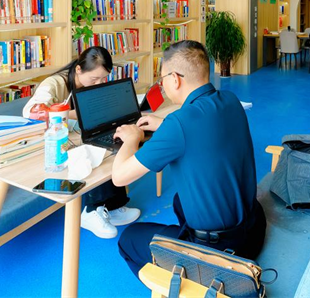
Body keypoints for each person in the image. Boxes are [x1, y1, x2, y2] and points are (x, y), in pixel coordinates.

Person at [112, 40, 266, 277]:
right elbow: (204, 131)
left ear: (175, 79)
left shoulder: (179, 124)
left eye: (162, 79)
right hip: (254, 229)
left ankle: (190, 280)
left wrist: (132, 138)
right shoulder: (231, 100)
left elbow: (119, 177)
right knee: (179, 200)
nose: (163, 85)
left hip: (221, 251)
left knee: (129, 240)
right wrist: (164, 125)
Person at [22, 46, 141, 239]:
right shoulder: (54, 84)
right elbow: (31, 112)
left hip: (74, 136)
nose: (99, 83)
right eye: (94, 79)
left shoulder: (91, 84)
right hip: (51, 144)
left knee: (112, 144)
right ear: (78, 69)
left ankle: (113, 206)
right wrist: (74, 113)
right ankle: (91, 211)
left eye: (103, 78)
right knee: (92, 150)